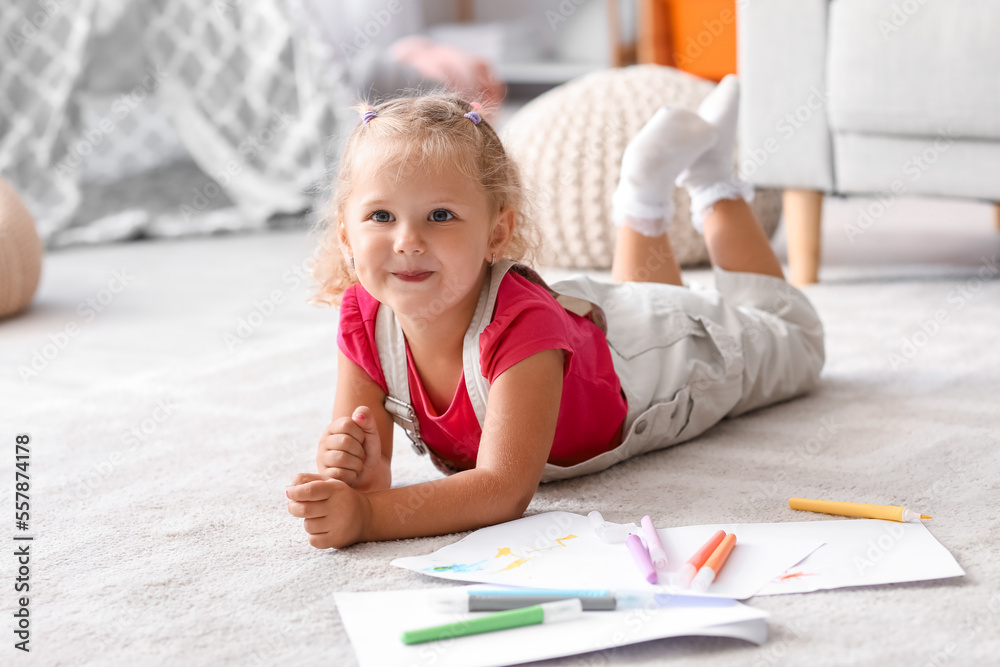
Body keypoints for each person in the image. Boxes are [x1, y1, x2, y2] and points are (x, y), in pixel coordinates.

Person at [285, 77, 825, 549]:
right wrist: (354, 470)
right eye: (380, 215)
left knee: (797, 340)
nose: (407, 241)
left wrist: (367, 518)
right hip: (597, 335)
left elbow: (502, 488)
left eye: (440, 215)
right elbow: (373, 474)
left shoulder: (520, 324)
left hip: (655, 368)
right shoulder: (364, 317)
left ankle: (712, 182)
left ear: (496, 231)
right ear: (346, 234)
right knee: (650, 302)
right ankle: (645, 193)